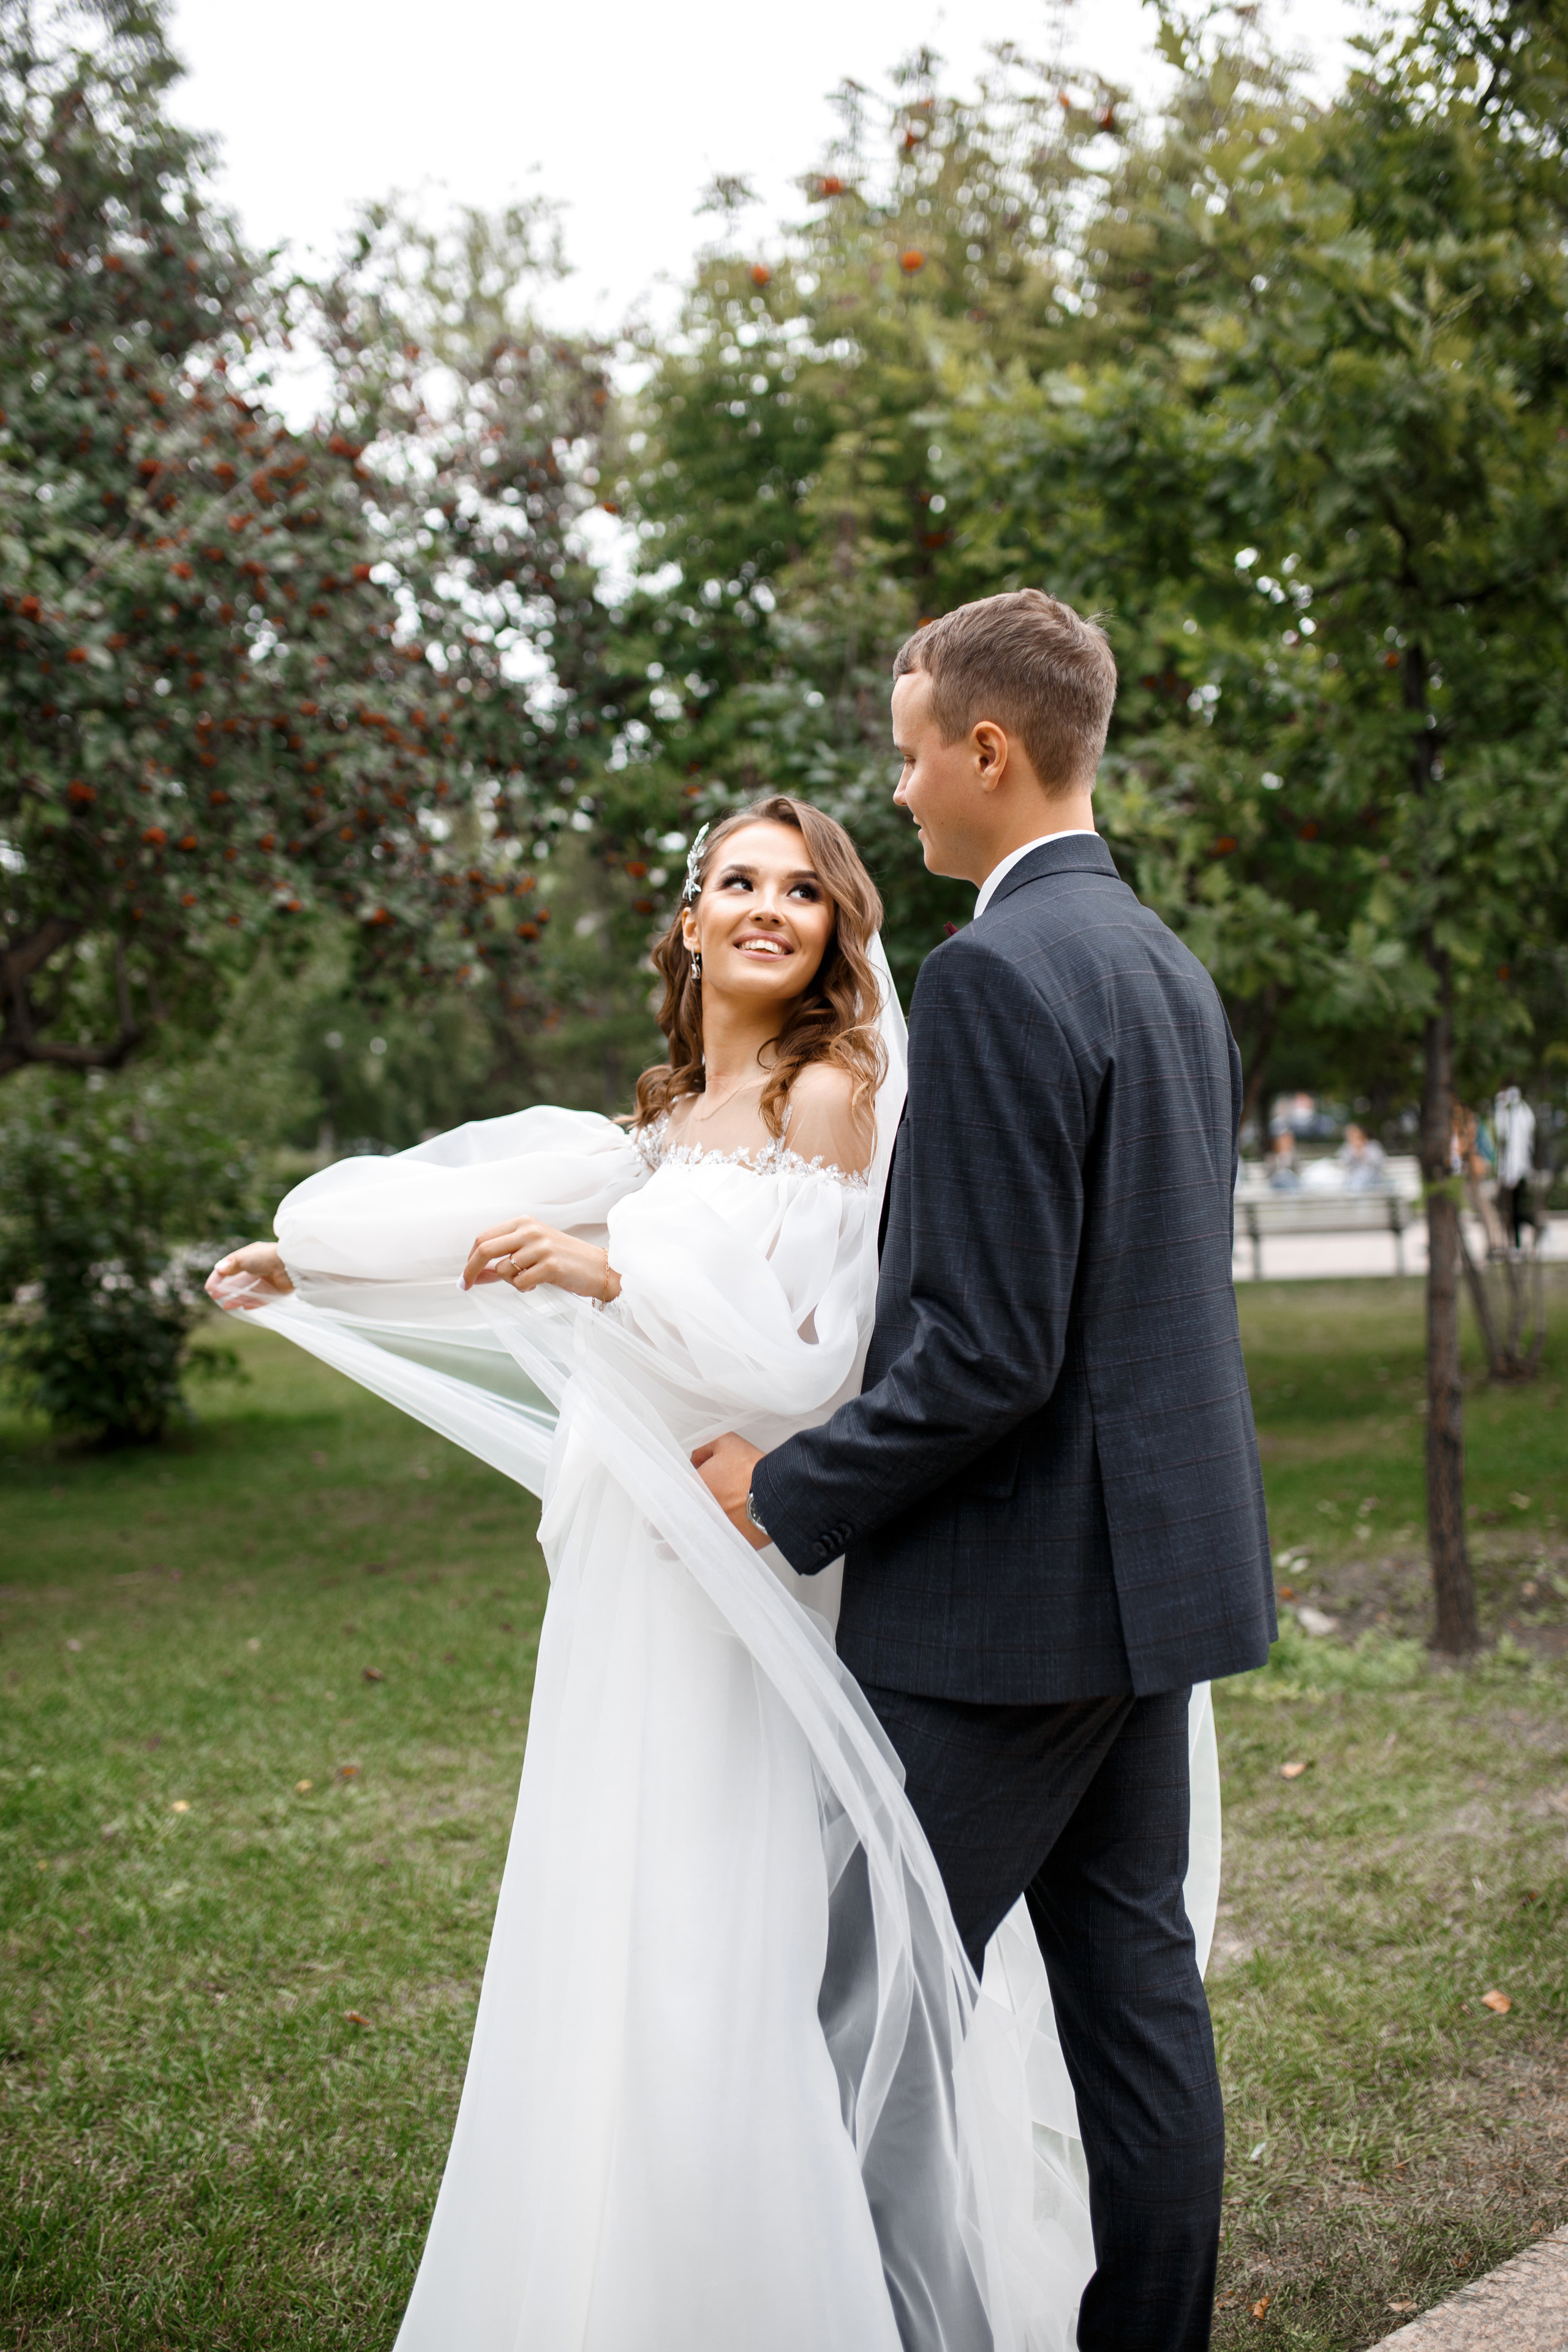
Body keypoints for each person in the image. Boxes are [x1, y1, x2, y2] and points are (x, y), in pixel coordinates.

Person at [208, 789, 1224, 2352]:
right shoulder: (661, 1120)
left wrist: (611, 1270)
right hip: (646, 1569)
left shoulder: (835, 1096)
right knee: (646, 1916)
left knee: (792, 1970)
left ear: (834, 932)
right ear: (685, 923)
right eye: (735, 881)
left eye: (802, 890)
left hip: (752, 1557)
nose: (767, 905)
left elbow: (823, 1357)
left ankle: (813, 2291)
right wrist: (317, 1269)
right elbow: (509, 1237)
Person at [698, 590, 1272, 2352]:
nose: (906, 785)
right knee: (1135, 2012)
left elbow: (992, 1355)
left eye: (909, 748)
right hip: (1150, 1591)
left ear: (989, 750)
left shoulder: (1006, 974)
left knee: (857, 2024)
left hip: (1011, 1617)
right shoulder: (1163, 966)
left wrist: (781, 1486)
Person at [1494, 1084, 1537, 1250]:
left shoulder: (1517, 1114)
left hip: (1517, 1173)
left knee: (1515, 1209)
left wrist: (1511, 1174)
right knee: (1513, 1209)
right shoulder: (1516, 1112)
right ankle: (1521, 1240)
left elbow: (1517, 1147)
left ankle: (1522, 1239)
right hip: (1513, 1172)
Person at [1337, 1122, 1387, 1192]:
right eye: (1351, 1136)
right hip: (1353, 1179)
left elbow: (1379, 1163)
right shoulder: (1346, 1149)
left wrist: (1363, 1153)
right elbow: (1344, 1164)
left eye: (1356, 1135)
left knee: (1364, 1177)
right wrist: (1355, 1153)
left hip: (1374, 1179)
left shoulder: (1373, 1146)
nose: (1354, 1138)